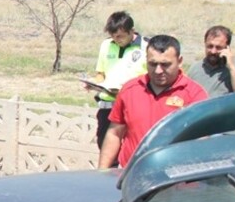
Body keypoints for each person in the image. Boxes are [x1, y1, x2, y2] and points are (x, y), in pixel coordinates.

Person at [98, 34, 209, 169]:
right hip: (131, 174)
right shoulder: (130, 89)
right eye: (152, 64)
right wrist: (102, 171)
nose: (158, 70)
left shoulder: (194, 95)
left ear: (179, 61)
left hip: (174, 177)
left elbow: (202, 141)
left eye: (165, 64)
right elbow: (115, 132)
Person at [89, 11, 147, 152]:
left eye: (120, 36)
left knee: (132, 149)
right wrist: (94, 83)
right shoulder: (106, 45)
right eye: (114, 37)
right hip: (108, 107)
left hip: (133, 107)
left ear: (131, 31)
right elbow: (100, 74)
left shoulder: (146, 47)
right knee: (106, 148)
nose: (117, 40)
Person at [187, 25, 235, 96]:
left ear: (227, 47)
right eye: (210, 46)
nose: (213, 51)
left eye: (218, 47)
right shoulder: (195, 68)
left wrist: (231, 68)